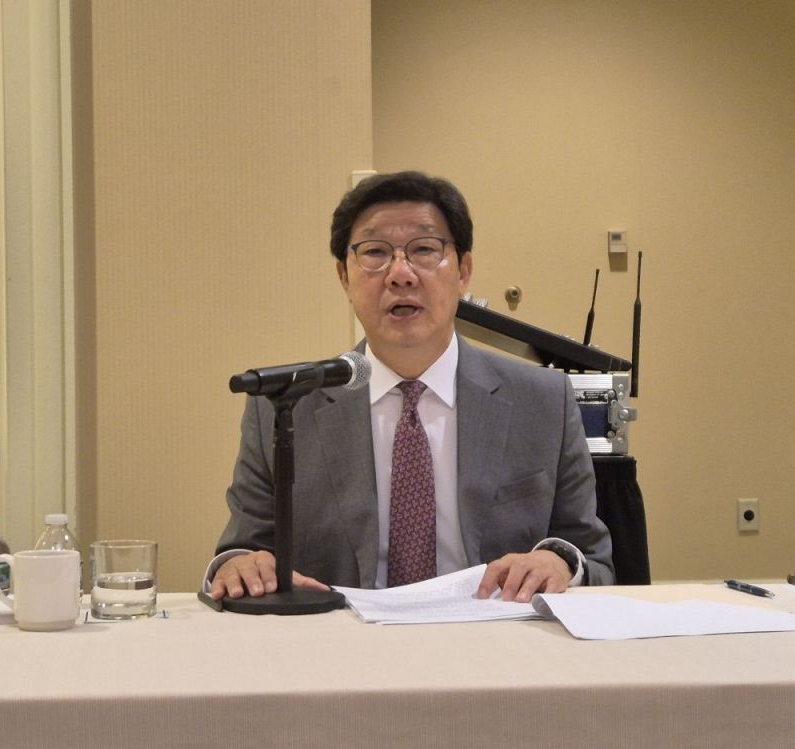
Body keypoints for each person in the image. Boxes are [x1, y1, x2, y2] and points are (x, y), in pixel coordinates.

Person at [206, 170, 613, 603]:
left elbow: (592, 558)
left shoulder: (543, 400)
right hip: (340, 638)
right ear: (344, 277)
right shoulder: (284, 406)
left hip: (494, 634)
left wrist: (560, 562)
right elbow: (242, 547)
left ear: (463, 271)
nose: (400, 274)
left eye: (424, 249)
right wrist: (239, 564)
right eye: (374, 252)